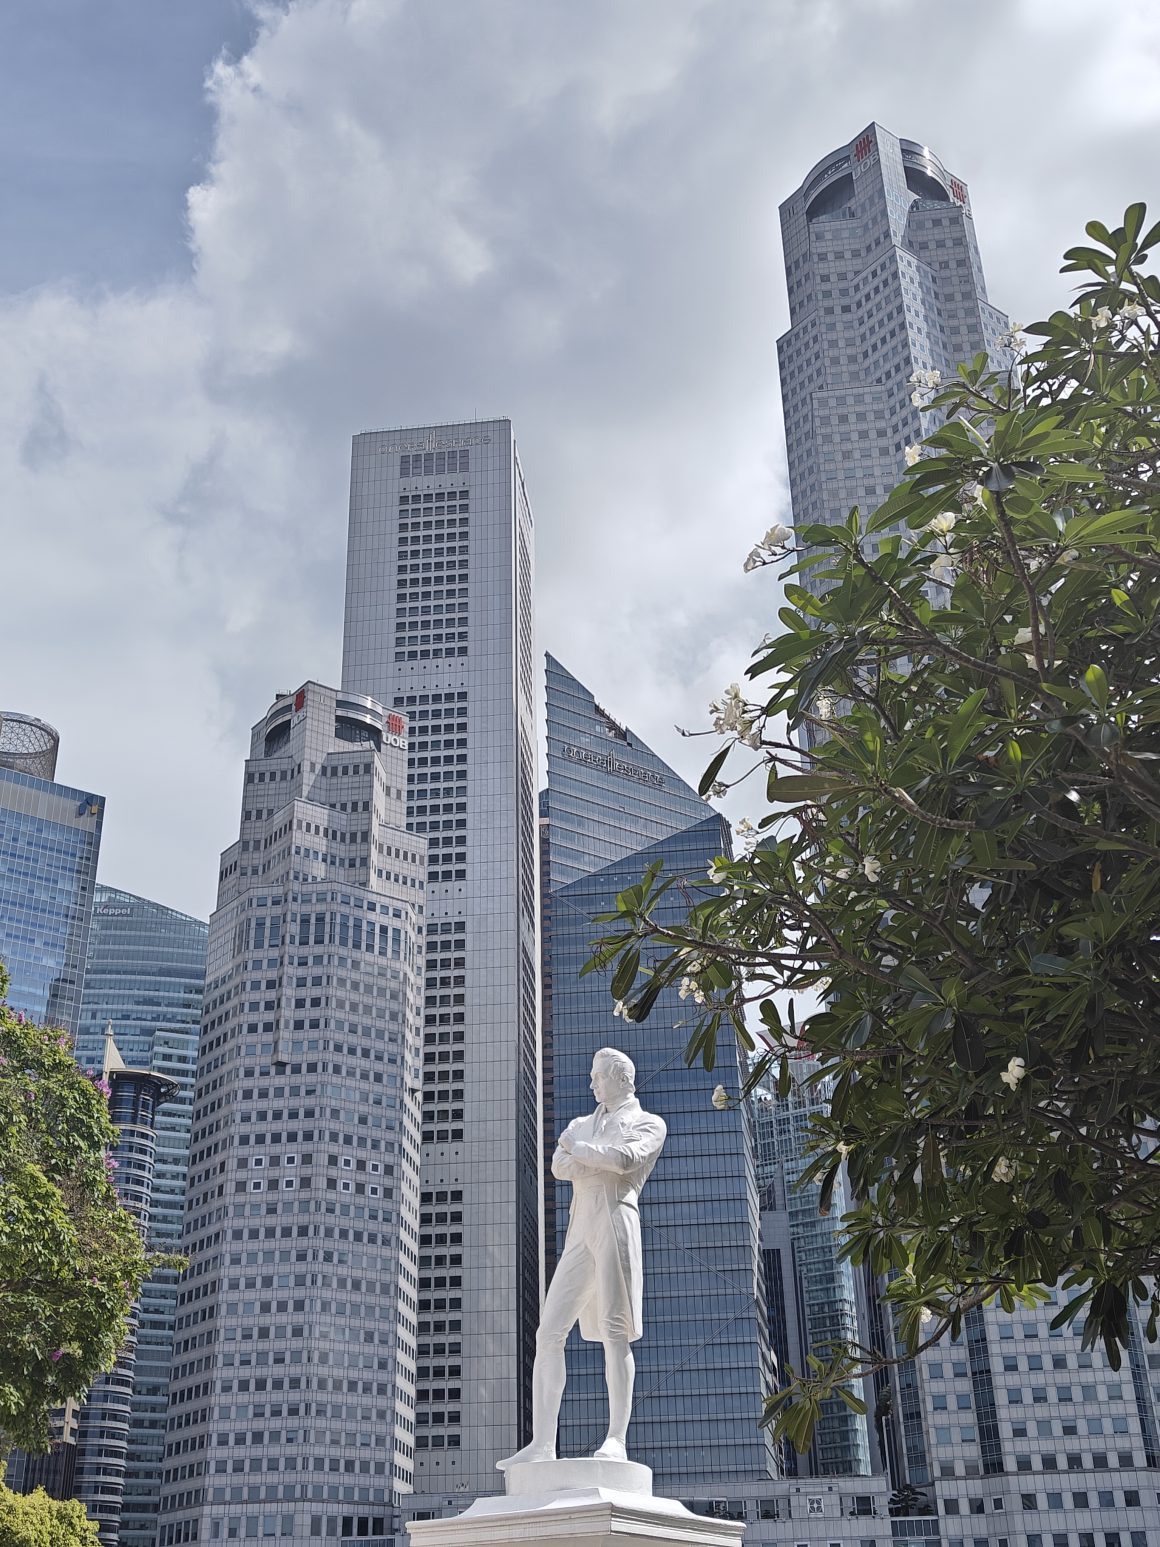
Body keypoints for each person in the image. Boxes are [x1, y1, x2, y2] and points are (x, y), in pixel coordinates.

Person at [497, 1047, 666, 1468]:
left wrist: (583, 1152)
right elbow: (559, 1167)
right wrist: (592, 1155)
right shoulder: (580, 1123)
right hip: (580, 1227)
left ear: (622, 1079)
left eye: (598, 1077)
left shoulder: (648, 1123)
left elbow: (626, 1160)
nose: (591, 1084)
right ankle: (542, 1444)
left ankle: (616, 1438)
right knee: (549, 1331)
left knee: (615, 1331)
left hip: (615, 1220)